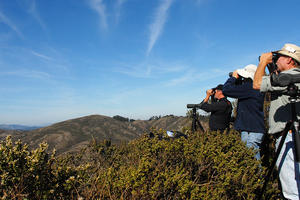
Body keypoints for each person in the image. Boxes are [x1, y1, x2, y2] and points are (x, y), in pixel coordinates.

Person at [253, 43, 300, 200]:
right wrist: (272, 65)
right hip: (292, 134)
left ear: (289, 60)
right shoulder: (294, 76)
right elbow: (273, 81)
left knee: (291, 190)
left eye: (279, 57)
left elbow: (257, 83)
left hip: (289, 137)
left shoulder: (288, 78)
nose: (276, 59)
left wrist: (262, 63)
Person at [222, 64, 265, 160]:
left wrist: (233, 78)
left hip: (253, 130)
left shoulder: (251, 87)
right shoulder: (252, 88)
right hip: (250, 128)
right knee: (248, 157)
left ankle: (257, 175)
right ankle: (253, 175)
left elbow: (226, 90)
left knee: (251, 158)